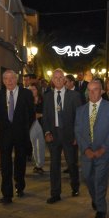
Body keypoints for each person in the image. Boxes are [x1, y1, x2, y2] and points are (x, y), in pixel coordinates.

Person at [74, 79, 109, 218]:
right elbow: (78, 131)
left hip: (104, 152)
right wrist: (85, 148)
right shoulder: (80, 110)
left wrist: (103, 149)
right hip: (87, 152)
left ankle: (101, 208)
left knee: (100, 180)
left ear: (102, 91)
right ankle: (96, 198)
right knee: (87, 177)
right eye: (90, 90)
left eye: (96, 89)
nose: (92, 93)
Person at [0, 70, 35, 204]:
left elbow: (31, 115)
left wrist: (24, 129)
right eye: (6, 79)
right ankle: (7, 194)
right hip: (5, 134)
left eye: (12, 78)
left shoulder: (26, 94)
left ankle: (20, 185)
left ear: (16, 79)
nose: (9, 81)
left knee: (20, 162)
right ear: (3, 81)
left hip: (21, 134)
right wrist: (5, 127)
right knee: (5, 164)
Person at [42, 69, 82, 203]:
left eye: (61, 78)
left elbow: (79, 117)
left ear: (64, 80)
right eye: (56, 77)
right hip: (53, 136)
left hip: (69, 135)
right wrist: (47, 132)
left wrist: (78, 135)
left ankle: (75, 186)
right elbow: (45, 117)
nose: (58, 80)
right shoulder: (47, 96)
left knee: (72, 163)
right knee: (54, 165)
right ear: (52, 80)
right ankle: (55, 193)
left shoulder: (74, 96)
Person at [28, 85, 46, 174]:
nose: (32, 91)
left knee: (41, 145)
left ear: (37, 90)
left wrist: (40, 115)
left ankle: (40, 165)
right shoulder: (28, 101)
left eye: (33, 89)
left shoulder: (43, 100)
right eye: (30, 90)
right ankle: (37, 164)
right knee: (34, 145)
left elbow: (47, 112)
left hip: (41, 124)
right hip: (32, 124)